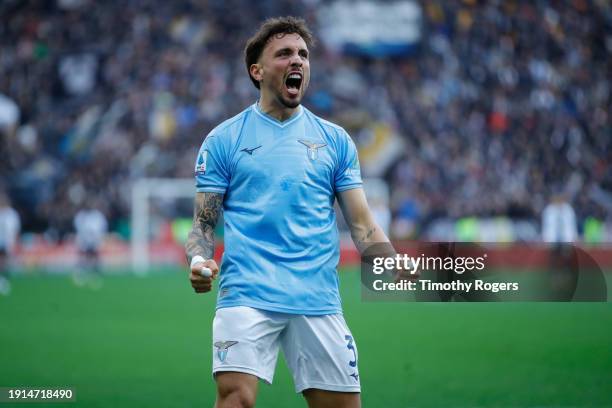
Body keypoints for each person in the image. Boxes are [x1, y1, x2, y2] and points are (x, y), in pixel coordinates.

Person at [185, 17, 402, 408]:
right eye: (284, 53)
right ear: (258, 70)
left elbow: (363, 225)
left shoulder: (335, 140)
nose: (297, 60)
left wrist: (391, 263)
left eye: (303, 54)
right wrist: (200, 259)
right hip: (247, 294)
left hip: (316, 298)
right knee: (236, 398)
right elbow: (202, 223)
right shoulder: (223, 139)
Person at [73, 200, 108, 287]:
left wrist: (96, 235)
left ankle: (95, 275)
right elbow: (78, 226)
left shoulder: (97, 215)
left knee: (94, 257)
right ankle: (80, 274)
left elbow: (102, 227)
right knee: (83, 256)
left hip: (94, 239)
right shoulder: (81, 215)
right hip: (84, 239)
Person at [0, 193, 20, 295]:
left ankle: (4, 279)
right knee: (3, 262)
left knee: (4, 262)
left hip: (6, 242)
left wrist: (14, 242)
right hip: (2, 241)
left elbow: (15, 230)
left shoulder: (11, 214)